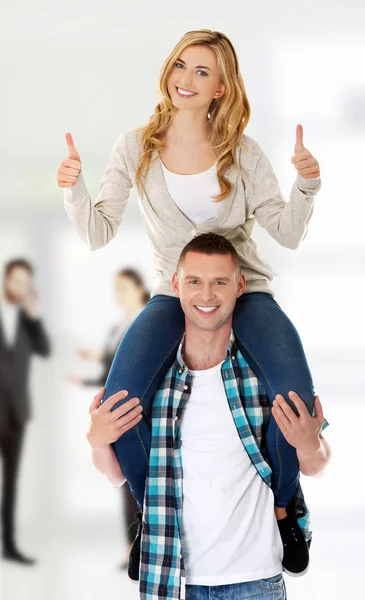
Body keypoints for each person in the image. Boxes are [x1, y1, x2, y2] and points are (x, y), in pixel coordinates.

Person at [58, 29, 323, 573]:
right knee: (119, 403)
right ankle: (146, 516)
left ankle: (286, 503)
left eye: (202, 72)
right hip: (171, 292)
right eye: (181, 65)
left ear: (222, 87)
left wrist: (307, 185)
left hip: (244, 288)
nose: (186, 79)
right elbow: (97, 231)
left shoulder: (243, 152)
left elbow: (287, 233)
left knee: (295, 394)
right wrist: (72, 187)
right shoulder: (135, 147)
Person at [87, 234, 331, 600]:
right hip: (174, 578)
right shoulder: (155, 380)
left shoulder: (263, 371)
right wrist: (96, 441)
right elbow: (115, 475)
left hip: (257, 580)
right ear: (175, 285)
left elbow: (318, 465)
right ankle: (145, 527)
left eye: (220, 282)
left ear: (240, 285)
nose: (207, 296)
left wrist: (310, 444)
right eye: (194, 282)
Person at [67, 267, 150, 569]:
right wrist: (87, 379)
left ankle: (143, 542)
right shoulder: (119, 327)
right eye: (116, 289)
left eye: (124, 288)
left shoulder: (148, 321)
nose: (119, 295)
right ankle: (133, 546)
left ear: (139, 289)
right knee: (123, 482)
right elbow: (111, 371)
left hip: (140, 412)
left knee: (138, 480)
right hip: (116, 414)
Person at [0, 259, 51, 565]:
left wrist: (34, 317)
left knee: (11, 483)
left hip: (17, 413)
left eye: (26, 283)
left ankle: (8, 545)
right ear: (6, 280)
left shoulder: (26, 321)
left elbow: (45, 350)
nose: (21, 288)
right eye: (17, 281)